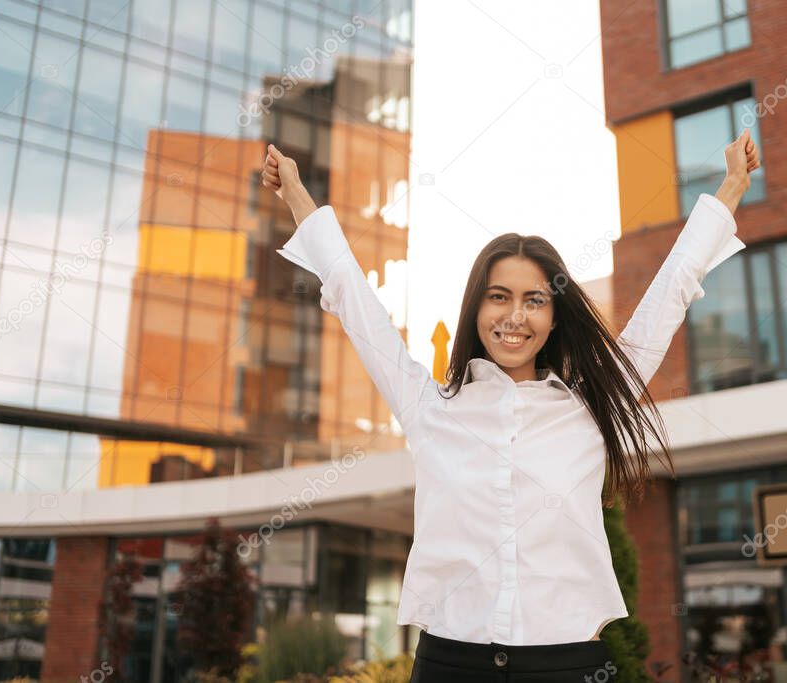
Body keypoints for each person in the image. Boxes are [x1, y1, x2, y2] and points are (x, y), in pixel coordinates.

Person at [261, 130, 759, 682]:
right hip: (450, 665)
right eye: (498, 296)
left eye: (534, 300)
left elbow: (669, 295)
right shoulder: (430, 408)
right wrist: (297, 196)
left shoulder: (590, 409)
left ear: (552, 315)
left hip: (566, 666)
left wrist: (732, 186)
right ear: (476, 306)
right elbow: (355, 301)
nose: (514, 317)